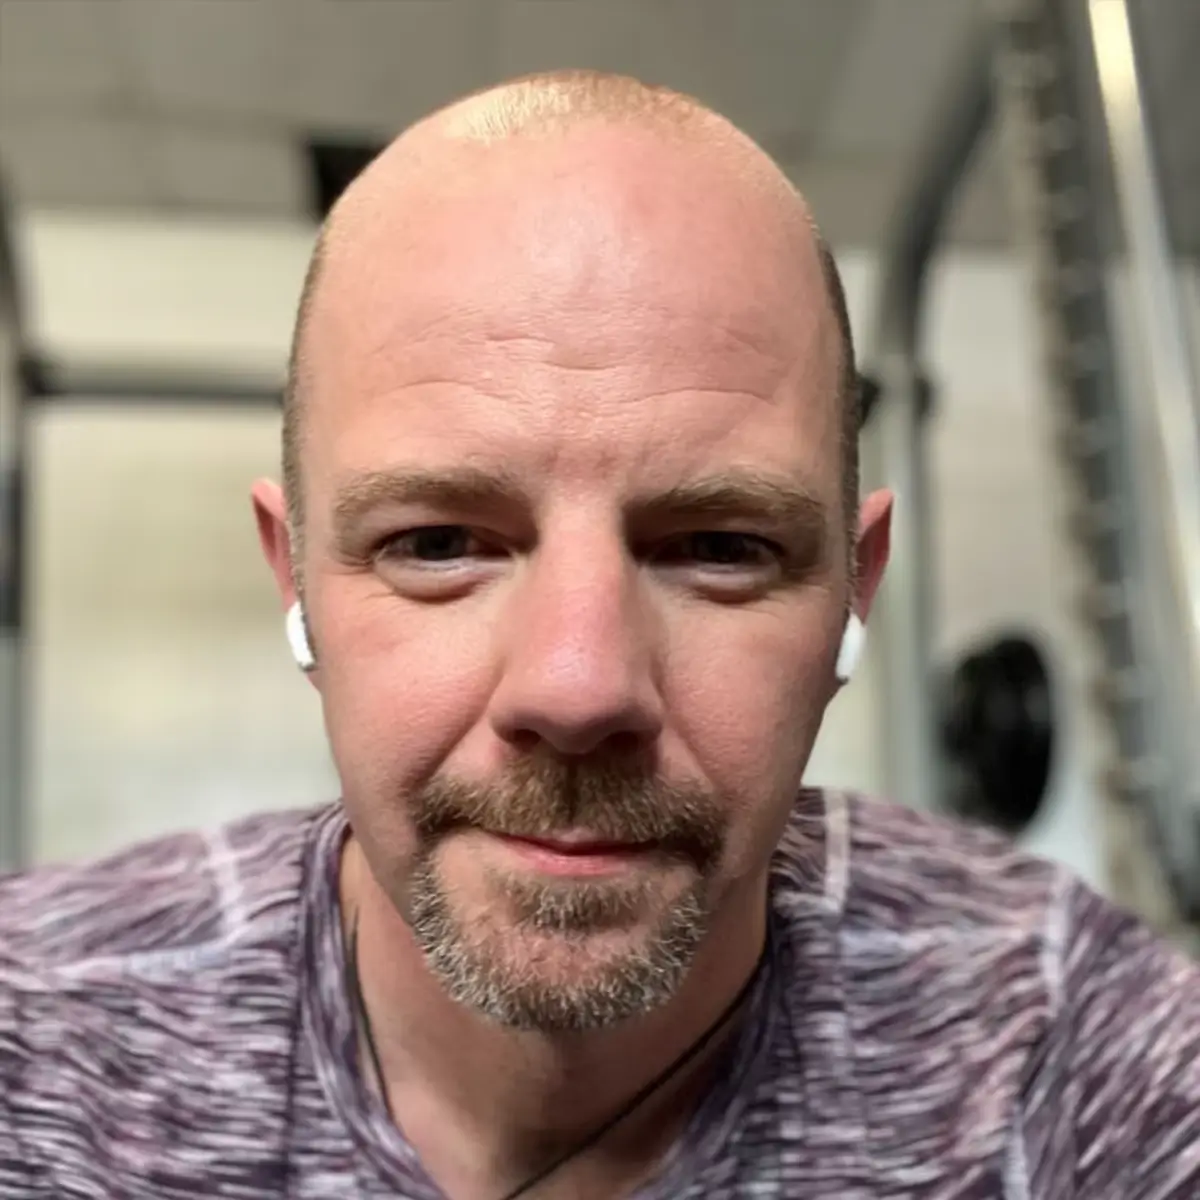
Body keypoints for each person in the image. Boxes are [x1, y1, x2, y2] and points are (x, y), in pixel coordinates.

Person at [1, 69, 1198, 1200]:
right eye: (437, 544)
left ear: (855, 590)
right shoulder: (39, 1043)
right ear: (296, 581)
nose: (577, 689)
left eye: (722, 547)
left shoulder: (1053, 1040)